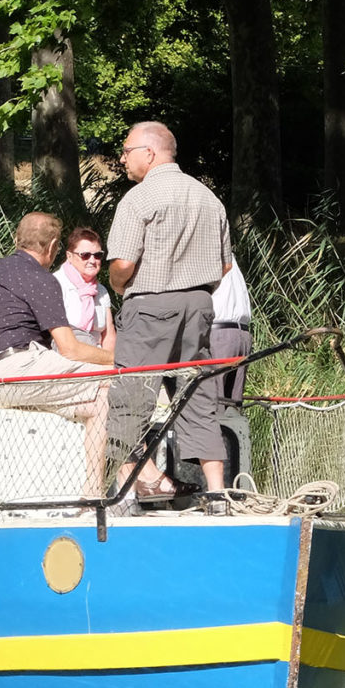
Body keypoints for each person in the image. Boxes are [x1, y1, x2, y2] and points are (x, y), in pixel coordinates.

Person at [105, 120, 233, 501]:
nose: (123, 158)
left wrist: (117, 285)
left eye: (127, 151)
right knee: (196, 393)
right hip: (200, 306)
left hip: (150, 305)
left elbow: (124, 263)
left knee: (132, 396)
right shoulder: (209, 198)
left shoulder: (140, 198)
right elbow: (225, 265)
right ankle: (217, 492)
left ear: (149, 152)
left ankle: (121, 494)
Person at [0, 212, 115, 495]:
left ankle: (93, 490)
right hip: (22, 366)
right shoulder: (43, 280)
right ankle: (94, 492)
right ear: (52, 247)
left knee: (96, 405)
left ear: (17, 239)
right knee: (108, 385)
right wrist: (120, 361)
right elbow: (69, 348)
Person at [205, 255, 252, 489]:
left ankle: (226, 483)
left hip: (224, 332)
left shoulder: (209, 246)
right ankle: (227, 482)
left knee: (217, 412)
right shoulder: (221, 248)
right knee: (223, 411)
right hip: (236, 331)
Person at [54, 227, 117, 354]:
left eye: (98, 255)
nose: (92, 261)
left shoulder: (101, 290)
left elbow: (109, 334)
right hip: (68, 357)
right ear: (69, 256)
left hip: (100, 358)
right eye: (85, 255)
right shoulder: (55, 284)